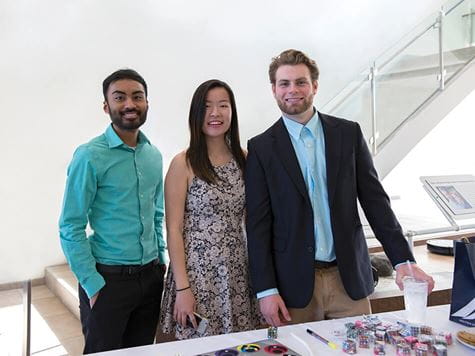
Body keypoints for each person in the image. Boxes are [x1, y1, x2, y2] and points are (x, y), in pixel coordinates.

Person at [245, 49, 435, 326]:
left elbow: (375, 202)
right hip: (293, 287)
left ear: (315, 86)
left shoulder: (347, 134)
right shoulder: (261, 148)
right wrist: (266, 290)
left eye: (301, 82)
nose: (292, 90)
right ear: (274, 89)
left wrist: (403, 259)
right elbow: (258, 224)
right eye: (284, 84)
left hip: (348, 282)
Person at [59, 69, 167, 353]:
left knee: (141, 351)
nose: (129, 104)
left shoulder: (153, 156)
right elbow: (70, 226)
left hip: (150, 277)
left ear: (146, 104)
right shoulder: (89, 156)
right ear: (107, 106)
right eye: (119, 97)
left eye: (137, 97)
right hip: (109, 280)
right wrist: (92, 284)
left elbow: (156, 215)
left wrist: (161, 261)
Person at [160, 79, 260, 339]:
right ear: (196, 113)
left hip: (238, 272)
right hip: (196, 276)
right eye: (207, 107)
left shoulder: (245, 159)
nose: (215, 113)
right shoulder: (183, 163)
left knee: (239, 345)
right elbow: (173, 229)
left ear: (232, 112)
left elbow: (253, 222)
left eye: (223, 105)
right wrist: (183, 289)